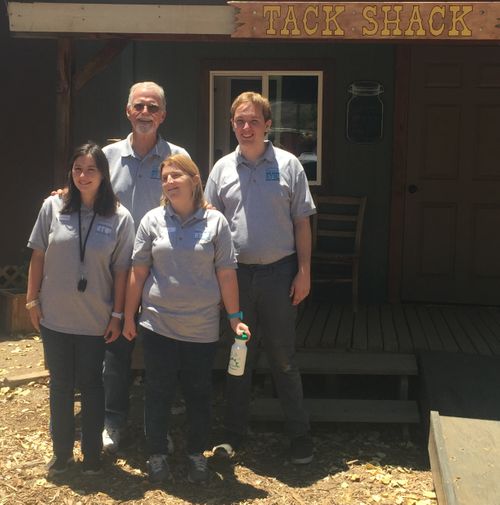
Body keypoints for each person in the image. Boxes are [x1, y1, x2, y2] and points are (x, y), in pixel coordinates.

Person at [122, 154, 249, 483]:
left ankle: (196, 456)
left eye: (176, 175)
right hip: (157, 325)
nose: (169, 182)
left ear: (195, 180)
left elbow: (227, 274)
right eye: (164, 177)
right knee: (158, 392)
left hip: (201, 329)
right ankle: (156, 455)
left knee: (198, 395)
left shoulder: (216, 223)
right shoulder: (151, 221)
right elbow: (138, 272)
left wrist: (235, 318)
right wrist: (127, 315)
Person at [205, 91, 316, 465]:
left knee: (283, 357)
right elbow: (210, 227)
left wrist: (304, 272)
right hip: (236, 277)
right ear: (232, 124)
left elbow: (302, 222)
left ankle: (299, 435)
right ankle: (233, 435)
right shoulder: (221, 169)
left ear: (268, 125)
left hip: (279, 274)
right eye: (240, 121)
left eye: (254, 121)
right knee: (239, 356)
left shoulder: (288, 165)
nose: (246, 127)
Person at [26, 142, 135, 476]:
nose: (83, 176)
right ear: (70, 173)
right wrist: (32, 300)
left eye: (91, 169)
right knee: (59, 385)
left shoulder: (119, 216)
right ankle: (61, 455)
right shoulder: (53, 207)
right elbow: (38, 256)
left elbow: (122, 272)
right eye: (77, 169)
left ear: (103, 174)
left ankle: (91, 455)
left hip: (95, 320)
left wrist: (118, 314)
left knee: (91, 386)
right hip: (55, 317)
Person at [102, 81, 190, 453]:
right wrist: (63, 194)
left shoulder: (177, 157)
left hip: (161, 273)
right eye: (139, 106)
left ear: (163, 115)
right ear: (128, 111)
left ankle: (158, 427)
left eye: (153, 108)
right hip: (114, 272)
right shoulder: (105, 157)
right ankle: (113, 422)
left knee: (160, 355)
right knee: (115, 349)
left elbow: (193, 197)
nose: (145, 113)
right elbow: (84, 191)